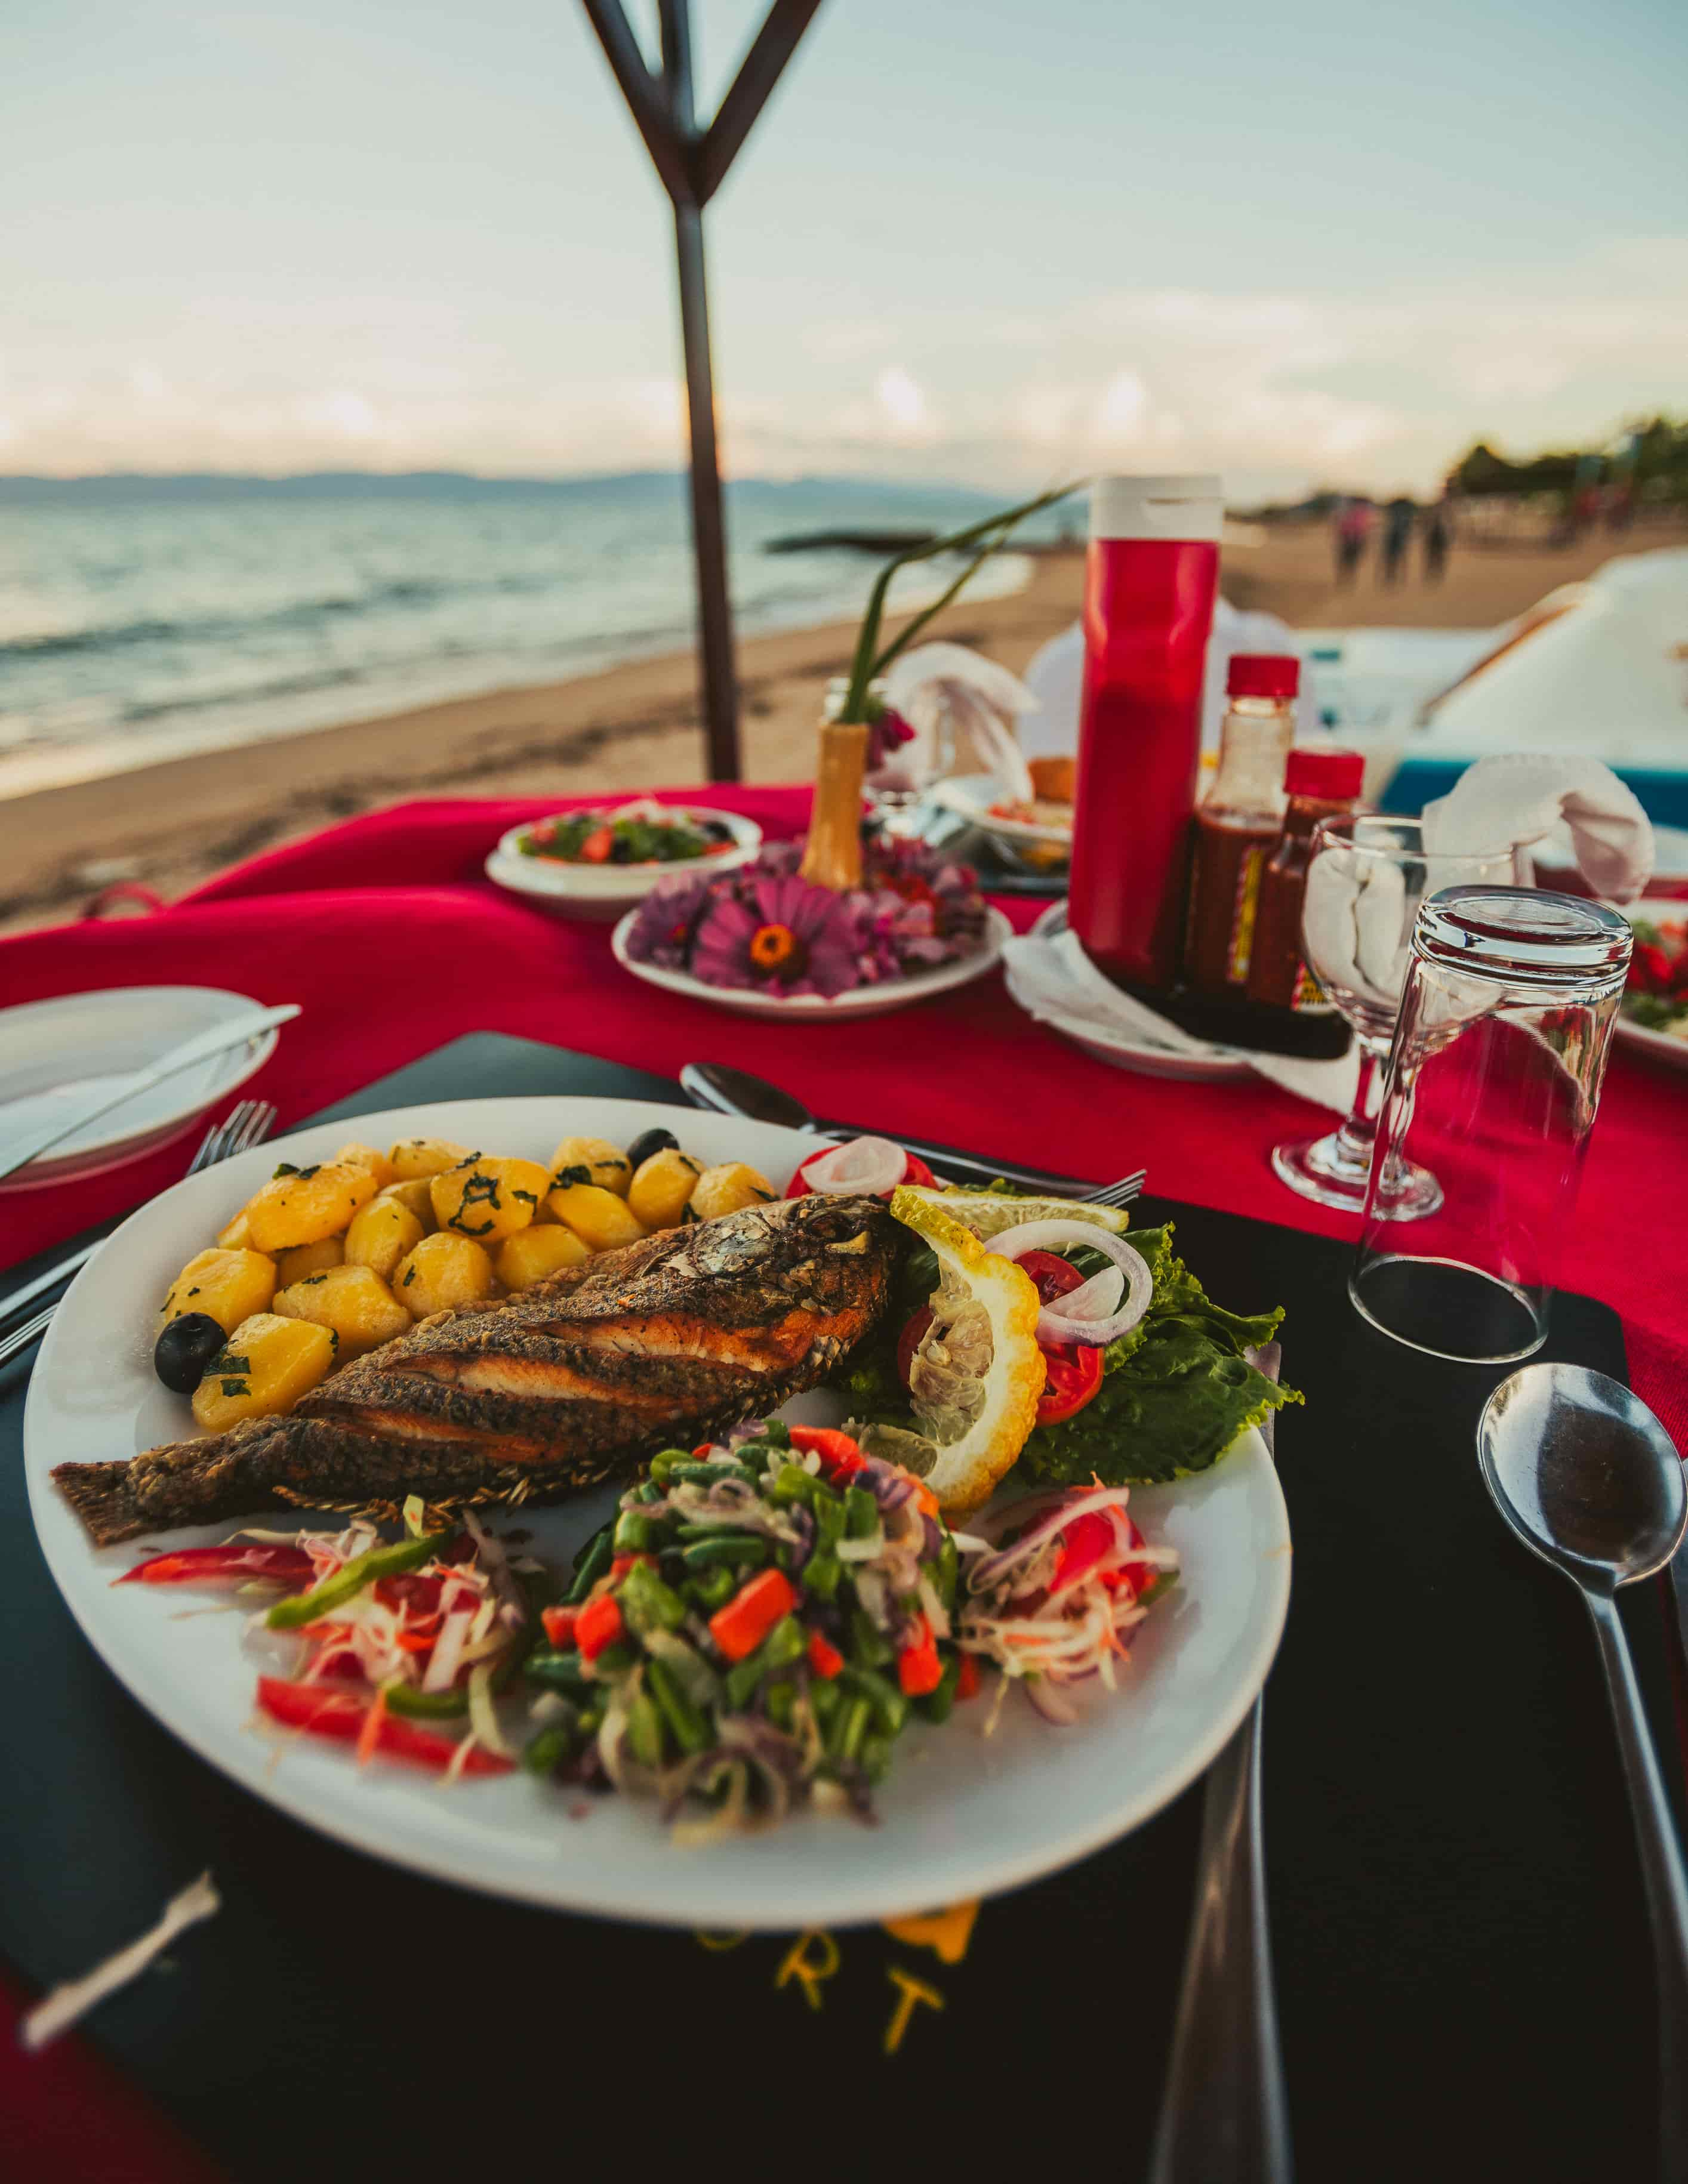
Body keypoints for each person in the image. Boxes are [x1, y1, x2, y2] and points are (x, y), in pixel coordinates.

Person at [1332, 497, 1370, 585]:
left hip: (1355, 540)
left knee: (1352, 561)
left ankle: (1348, 578)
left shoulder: (1361, 513)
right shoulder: (1346, 513)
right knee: (1346, 560)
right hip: (1349, 540)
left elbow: (1363, 529)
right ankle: (1344, 578)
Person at [1381, 496, 1416, 584]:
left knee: (1395, 559)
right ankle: (1396, 577)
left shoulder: (1397, 513)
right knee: (1397, 559)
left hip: (1397, 538)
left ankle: (1396, 577)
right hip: (1397, 538)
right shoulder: (1405, 514)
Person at [1422, 499, 1450, 583]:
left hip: (1438, 540)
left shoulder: (1443, 517)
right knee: (1433, 558)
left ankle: (1436, 574)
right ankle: (1431, 573)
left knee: (1438, 558)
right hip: (1434, 540)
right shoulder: (1432, 517)